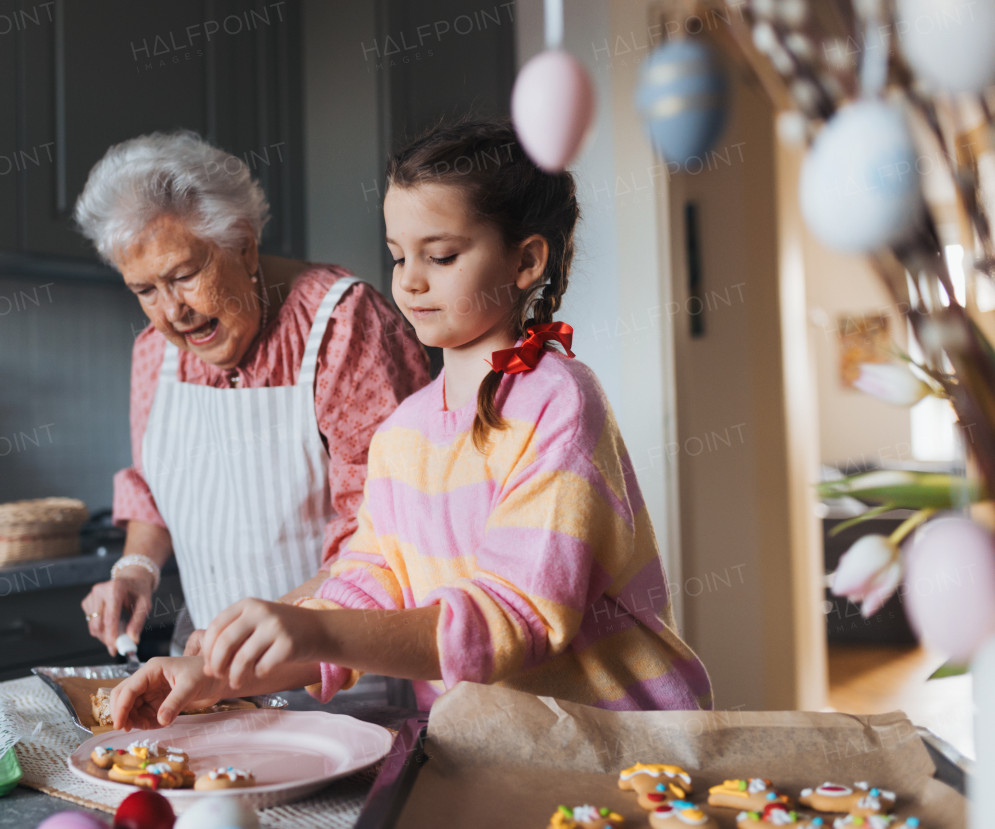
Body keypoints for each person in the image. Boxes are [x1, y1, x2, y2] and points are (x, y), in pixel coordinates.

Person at [109, 118, 713, 730]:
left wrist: (315, 626)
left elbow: (515, 619)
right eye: (399, 256)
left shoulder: (557, 402)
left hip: (619, 741)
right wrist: (210, 676)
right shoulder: (406, 430)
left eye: (441, 255)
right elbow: (369, 585)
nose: (410, 279)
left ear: (528, 260)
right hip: (488, 743)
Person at [74, 130, 431, 656]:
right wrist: (135, 571)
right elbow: (153, 492)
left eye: (185, 274)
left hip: (346, 669)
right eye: (145, 290)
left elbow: (384, 531)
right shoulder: (155, 352)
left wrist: (271, 636)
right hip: (212, 667)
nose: (172, 311)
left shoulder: (345, 327)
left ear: (244, 244)